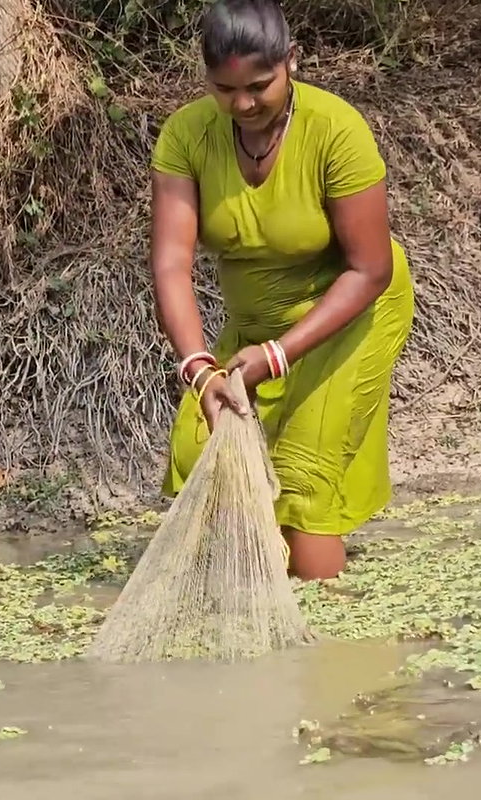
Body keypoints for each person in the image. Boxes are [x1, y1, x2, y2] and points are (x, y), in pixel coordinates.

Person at [148, 0, 415, 580]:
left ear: (291, 61)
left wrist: (277, 357)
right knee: (203, 452)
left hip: (348, 313)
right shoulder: (187, 136)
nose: (242, 104)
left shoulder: (335, 130)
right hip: (256, 321)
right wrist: (199, 367)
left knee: (303, 474)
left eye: (260, 86)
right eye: (224, 89)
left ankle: (321, 639)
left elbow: (370, 269)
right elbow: (171, 262)